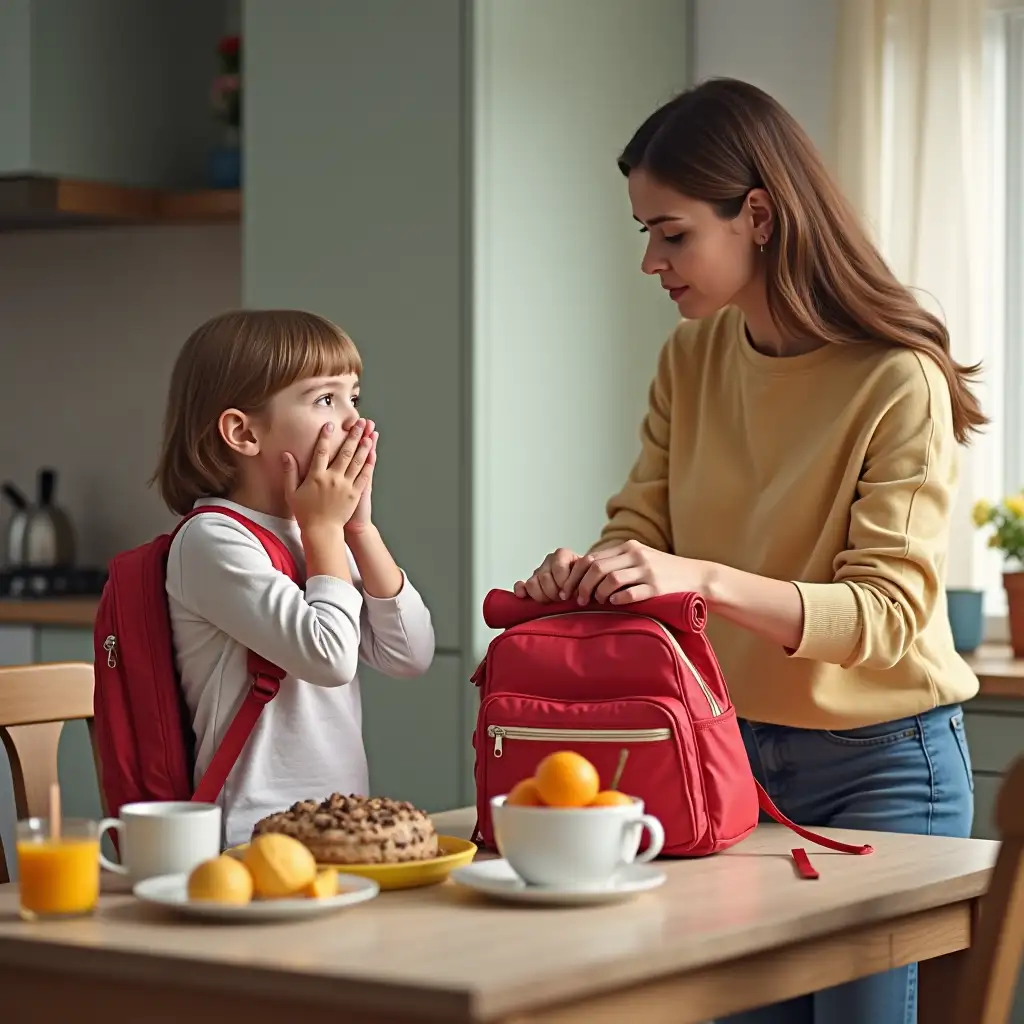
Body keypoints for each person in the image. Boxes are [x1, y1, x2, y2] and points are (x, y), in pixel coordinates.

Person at [513, 78, 980, 1024]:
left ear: (757, 216)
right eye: (643, 232)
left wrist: (703, 579)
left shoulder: (899, 380)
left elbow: (887, 620)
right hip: (725, 759)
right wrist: (601, 572)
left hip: (883, 768)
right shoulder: (691, 359)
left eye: (673, 233)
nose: (651, 260)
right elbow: (642, 527)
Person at [154, 310, 435, 846]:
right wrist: (327, 530)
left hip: (334, 827)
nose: (355, 421)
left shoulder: (315, 530)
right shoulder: (212, 540)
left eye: (355, 395)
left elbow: (410, 654)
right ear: (242, 432)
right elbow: (328, 658)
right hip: (248, 838)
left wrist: (360, 530)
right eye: (325, 399)